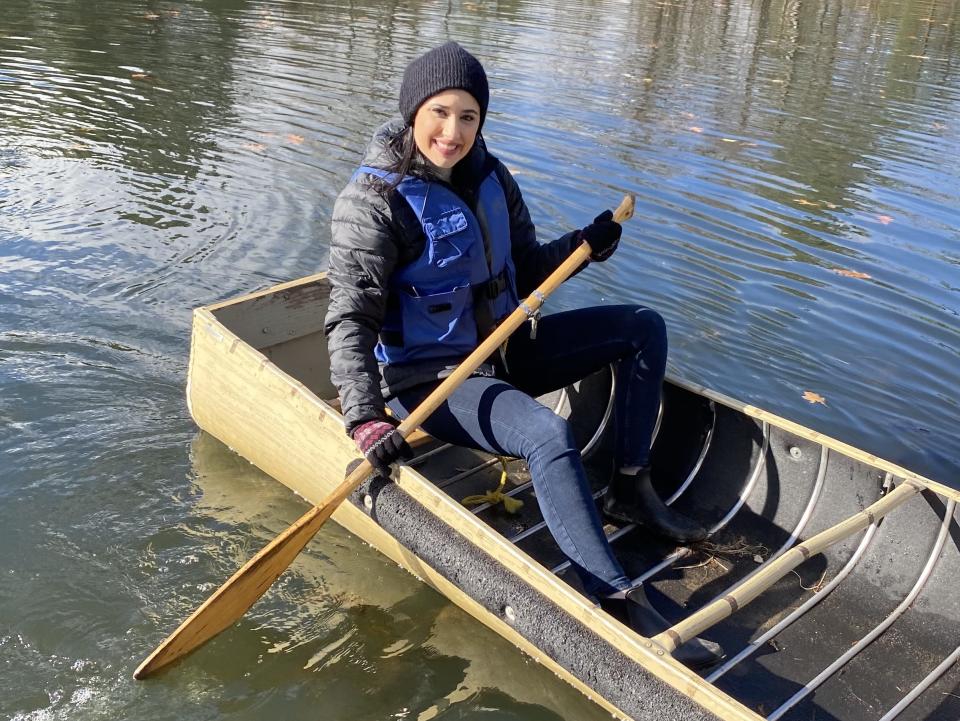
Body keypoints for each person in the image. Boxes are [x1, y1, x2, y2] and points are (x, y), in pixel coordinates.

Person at [324, 41, 722, 669]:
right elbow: (349, 319)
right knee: (546, 432)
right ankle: (612, 602)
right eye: (439, 113)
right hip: (432, 377)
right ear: (411, 112)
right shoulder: (374, 201)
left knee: (644, 326)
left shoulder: (490, 175)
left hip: (507, 350)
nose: (452, 133)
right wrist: (365, 418)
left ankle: (628, 485)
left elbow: (530, 267)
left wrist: (585, 245)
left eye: (468, 117)